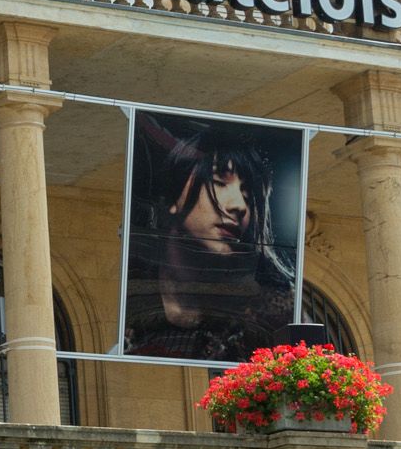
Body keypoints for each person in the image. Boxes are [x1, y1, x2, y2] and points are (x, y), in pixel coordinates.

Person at [122, 116, 299, 363]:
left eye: (249, 195)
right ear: (174, 196)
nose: (239, 206)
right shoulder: (129, 295)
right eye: (219, 182)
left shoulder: (274, 313)